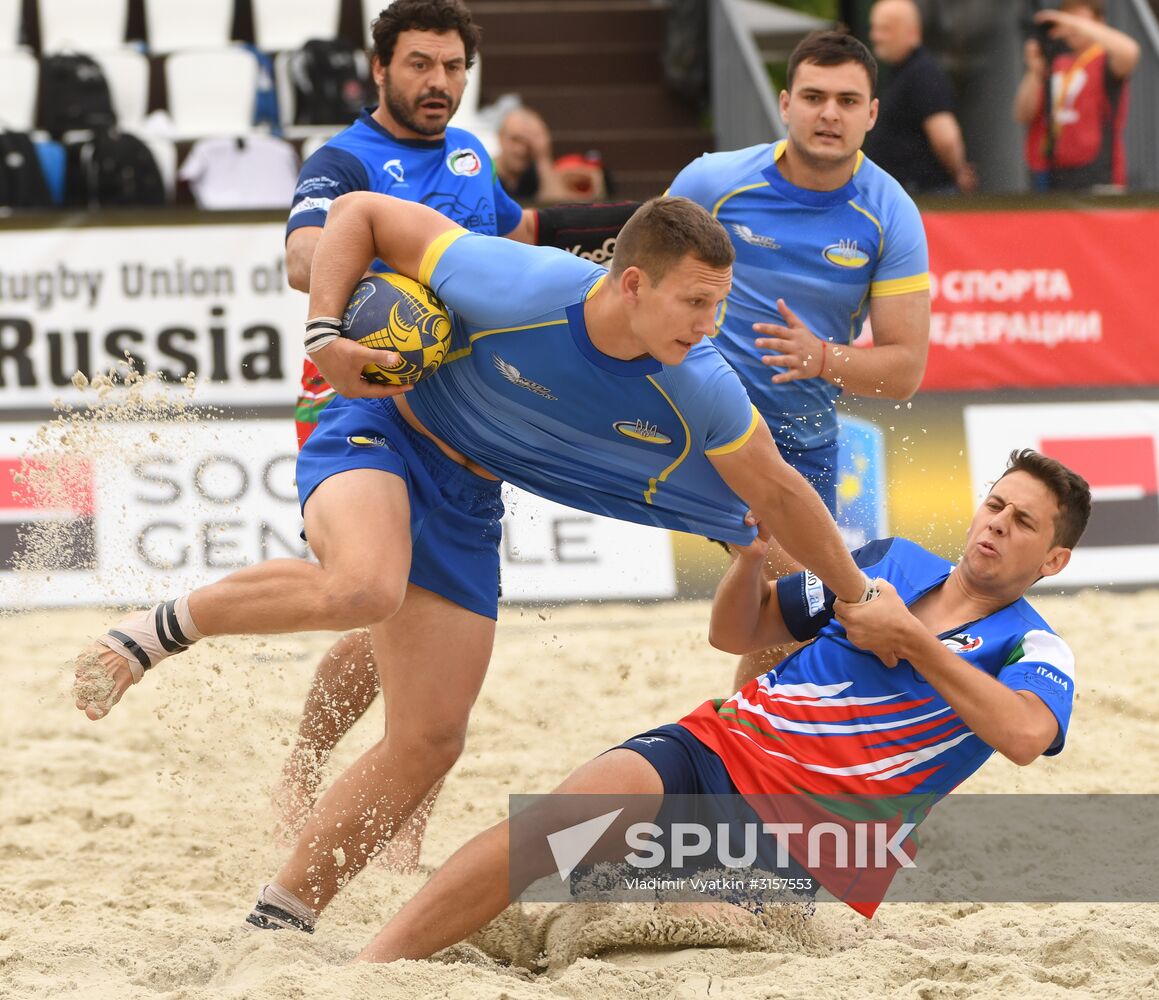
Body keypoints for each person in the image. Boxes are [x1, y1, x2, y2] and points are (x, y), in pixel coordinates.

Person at [74, 193, 879, 935]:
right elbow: (357, 213)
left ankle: (281, 916)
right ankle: (155, 632)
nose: (711, 324)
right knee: (364, 585)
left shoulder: (699, 382)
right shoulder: (515, 282)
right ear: (632, 284)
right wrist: (324, 335)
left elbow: (777, 493)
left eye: (720, 304)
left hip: (466, 496)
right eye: (696, 302)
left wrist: (855, 592)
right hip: (383, 428)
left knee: (428, 741)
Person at [346, 448, 1091, 962]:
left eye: (1022, 522)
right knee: (546, 826)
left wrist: (914, 642)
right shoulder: (889, 564)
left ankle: (582, 917)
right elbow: (736, 631)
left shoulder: (1034, 645)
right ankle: (367, 969)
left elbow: (1024, 736)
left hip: (814, 840)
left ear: (1053, 560)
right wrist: (743, 561)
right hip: (718, 750)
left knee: (675, 932)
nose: (996, 522)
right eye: (995, 504)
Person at [279, 0, 638, 858]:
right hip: (358, 399)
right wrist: (396, 266)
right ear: (379, 69)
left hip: (464, 414)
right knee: (388, 593)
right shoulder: (343, 159)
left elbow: (516, 234)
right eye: (419, 65)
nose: (437, 82)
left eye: (451, 67)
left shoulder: (471, 156)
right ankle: (308, 756)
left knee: (413, 621)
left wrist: (633, 230)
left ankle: (404, 825)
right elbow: (301, 260)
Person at [665, 30, 930, 690]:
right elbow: (632, 290)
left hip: (805, 439)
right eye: (812, 97)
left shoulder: (889, 214)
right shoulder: (711, 183)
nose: (828, 114)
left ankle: (739, 746)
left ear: (871, 113)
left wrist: (822, 359)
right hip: (705, 420)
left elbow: (903, 372)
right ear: (784, 105)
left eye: (846, 100)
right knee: (810, 584)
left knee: (782, 632)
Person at [1013, 0, 1140, 192]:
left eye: (1078, 19)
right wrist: (1034, 72)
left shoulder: (1105, 60)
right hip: (1056, 174)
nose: (1071, 28)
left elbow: (1130, 52)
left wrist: (1073, 23)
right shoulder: (1056, 61)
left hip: (1099, 174)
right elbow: (1023, 115)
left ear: (1099, 21)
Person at [862, 0, 978, 194]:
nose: (875, 36)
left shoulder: (922, 73)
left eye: (885, 29)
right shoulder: (902, 72)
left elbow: (946, 137)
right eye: (874, 28)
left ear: (912, 32)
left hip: (926, 194)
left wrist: (958, 172)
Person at [494, 105, 608, 204]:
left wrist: (543, 158)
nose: (521, 150)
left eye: (529, 143)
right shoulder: (486, 172)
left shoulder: (538, 172)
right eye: (515, 140)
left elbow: (555, 206)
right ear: (500, 137)